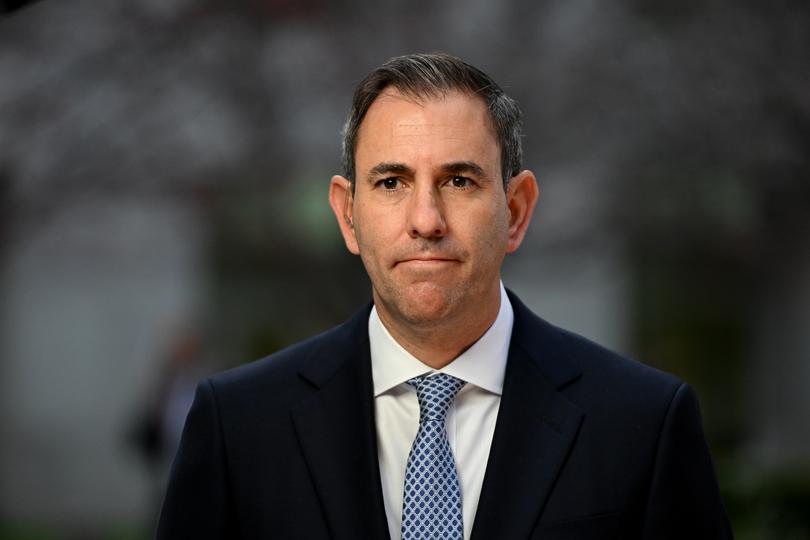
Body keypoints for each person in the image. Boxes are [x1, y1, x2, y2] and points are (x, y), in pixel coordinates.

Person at [156, 53, 733, 539]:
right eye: (391, 183)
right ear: (348, 215)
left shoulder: (643, 424)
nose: (426, 220)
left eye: (459, 181)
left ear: (515, 210)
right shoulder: (238, 426)